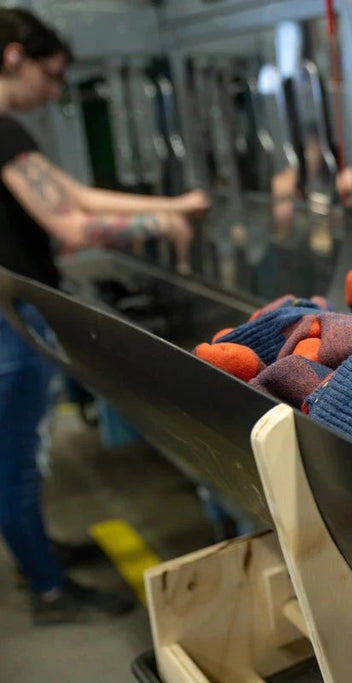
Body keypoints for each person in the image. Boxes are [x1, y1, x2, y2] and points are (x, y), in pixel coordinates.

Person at [0, 8, 208, 624]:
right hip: (9, 321)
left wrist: (173, 204)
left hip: (13, 312)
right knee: (15, 461)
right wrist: (158, 225)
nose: (54, 92)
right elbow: (70, 223)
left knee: (15, 459)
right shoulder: (3, 130)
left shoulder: (9, 134)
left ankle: (36, 550)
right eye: (50, 75)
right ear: (13, 57)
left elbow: (78, 194)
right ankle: (49, 591)